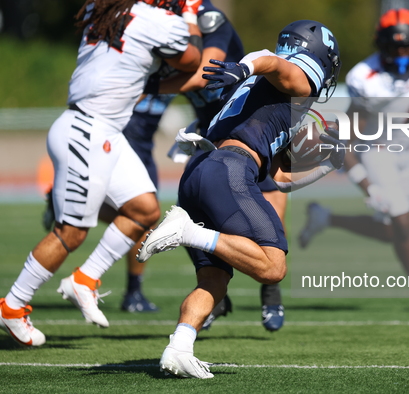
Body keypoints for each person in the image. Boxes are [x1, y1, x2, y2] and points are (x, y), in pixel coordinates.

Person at [136, 19, 342, 378]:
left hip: (202, 170)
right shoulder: (296, 80)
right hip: (228, 168)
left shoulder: (271, 97)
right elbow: (271, 60)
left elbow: (279, 178)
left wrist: (325, 166)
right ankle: (187, 231)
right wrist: (244, 66)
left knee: (214, 280)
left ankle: (178, 348)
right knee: (273, 266)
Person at [0, 0, 203, 347]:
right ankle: (13, 306)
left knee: (144, 210)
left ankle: (85, 279)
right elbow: (191, 58)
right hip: (88, 129)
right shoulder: (152, 18)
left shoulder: (104, 8)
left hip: (103, 130)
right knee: (72, 232)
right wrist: (191, 14)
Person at [299, 8, 409, 313]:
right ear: (382, 46)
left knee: (393, 231)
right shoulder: (366, 79)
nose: (403, 54)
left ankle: (326, 218)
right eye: (395, 48)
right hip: (378, 150)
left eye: (408, 46)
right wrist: (366, 185)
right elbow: (346, 139)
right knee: (403, 221)